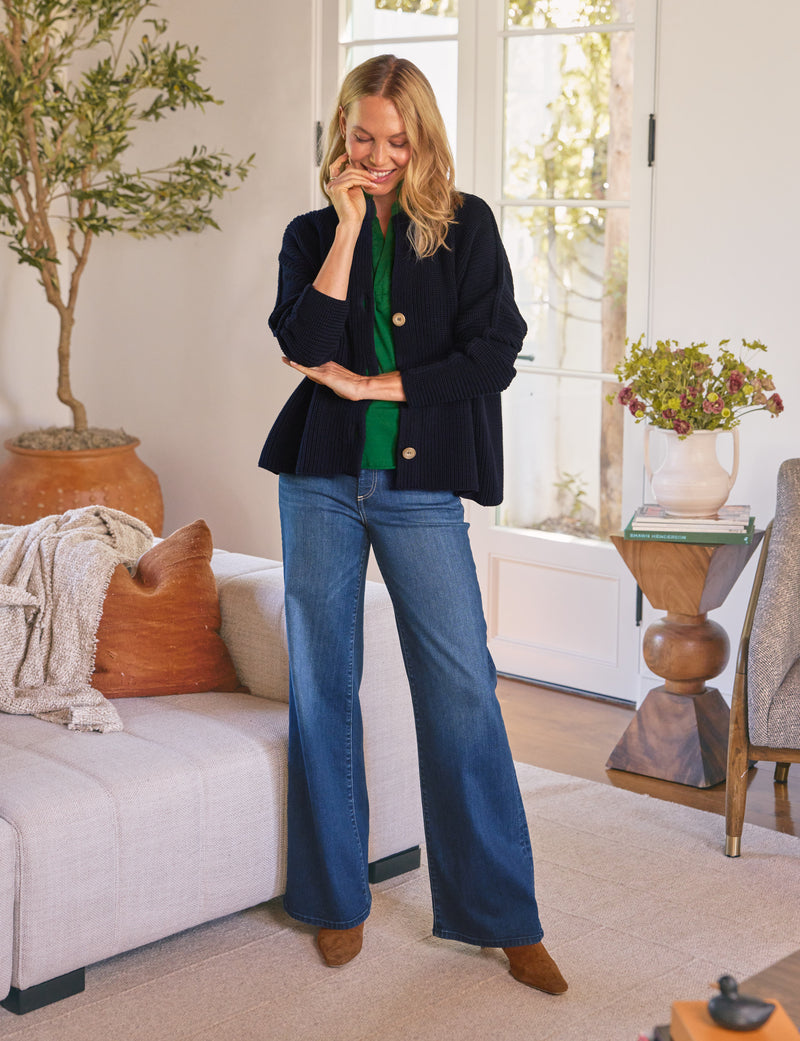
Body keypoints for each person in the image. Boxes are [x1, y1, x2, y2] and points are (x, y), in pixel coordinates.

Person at [260, 54, 567, 995]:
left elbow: (496, 350)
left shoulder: (467, 228)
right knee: (324, 687)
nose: (380, 154)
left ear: (423, 138)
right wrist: (349, 229)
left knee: (462, 690)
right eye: (363, 136)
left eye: (397, 140)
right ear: (341, 135)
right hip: (318, 480)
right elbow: (303, 341)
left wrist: (376, 384)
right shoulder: (313, 230)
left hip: (419, 486)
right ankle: (336, 900)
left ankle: (499, 913)